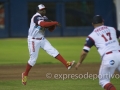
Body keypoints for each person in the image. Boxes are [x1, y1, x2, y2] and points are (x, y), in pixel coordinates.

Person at [22, 4, 75, 85]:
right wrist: (54, 22)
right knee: (33, 60)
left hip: (42, 39)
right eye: (42, 9)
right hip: (33, 40)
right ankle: (25, 74)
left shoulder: (45, 18)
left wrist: (53, 25)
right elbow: (43, 24)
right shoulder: (36, 17)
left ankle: (67, 64)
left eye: (44, 9)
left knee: (53, 50)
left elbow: (49, 29)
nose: (44, 10)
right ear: (38, 10)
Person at [75, 15, 120, 90]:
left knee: (104, 81)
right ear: (103, 22)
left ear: (92, 24)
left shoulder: (92, 36)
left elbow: (84, 52)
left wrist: (79, 62)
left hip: (109, 57)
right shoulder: (112, 29)